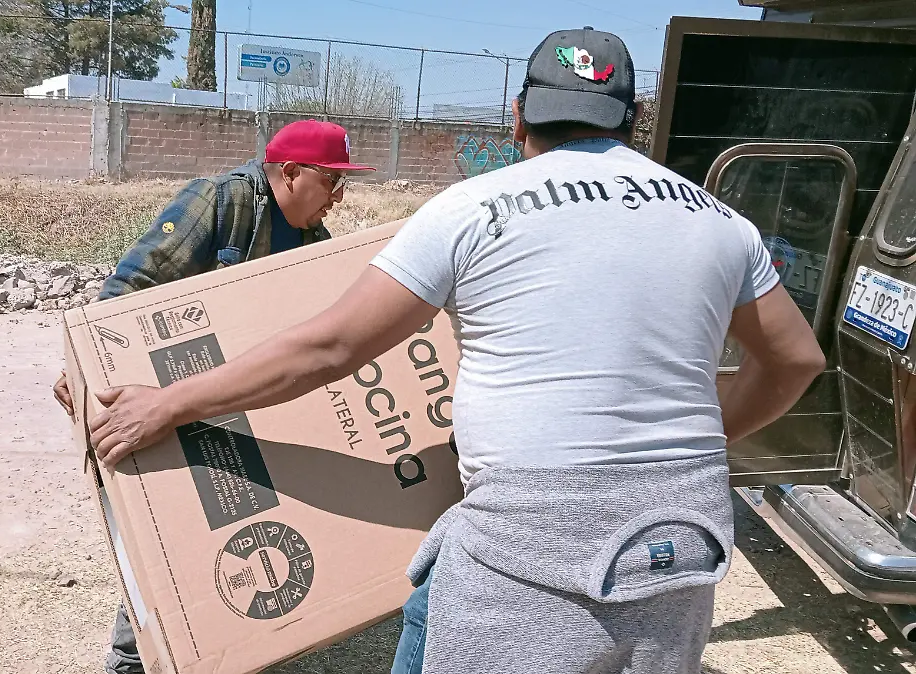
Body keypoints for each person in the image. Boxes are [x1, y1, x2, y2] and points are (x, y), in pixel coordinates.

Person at [85, 26, 825, 674]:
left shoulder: (475, 209)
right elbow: (797, 361)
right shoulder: (718, 218)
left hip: (533, 535)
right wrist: (700, 441)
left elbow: (333, 347)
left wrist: (170, 401)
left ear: (517, 117)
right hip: (683, 533)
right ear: (632, 121)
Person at [51, 118, 374, 674]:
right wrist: (86, 366)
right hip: (153, 400)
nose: (339, 198)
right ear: (292, 173)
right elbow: (133, 284)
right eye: (333, 181)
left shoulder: (315, 248)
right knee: (158, 542)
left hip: (229, 409)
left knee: (211, 537)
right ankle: (131, 660)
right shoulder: (222, 202)